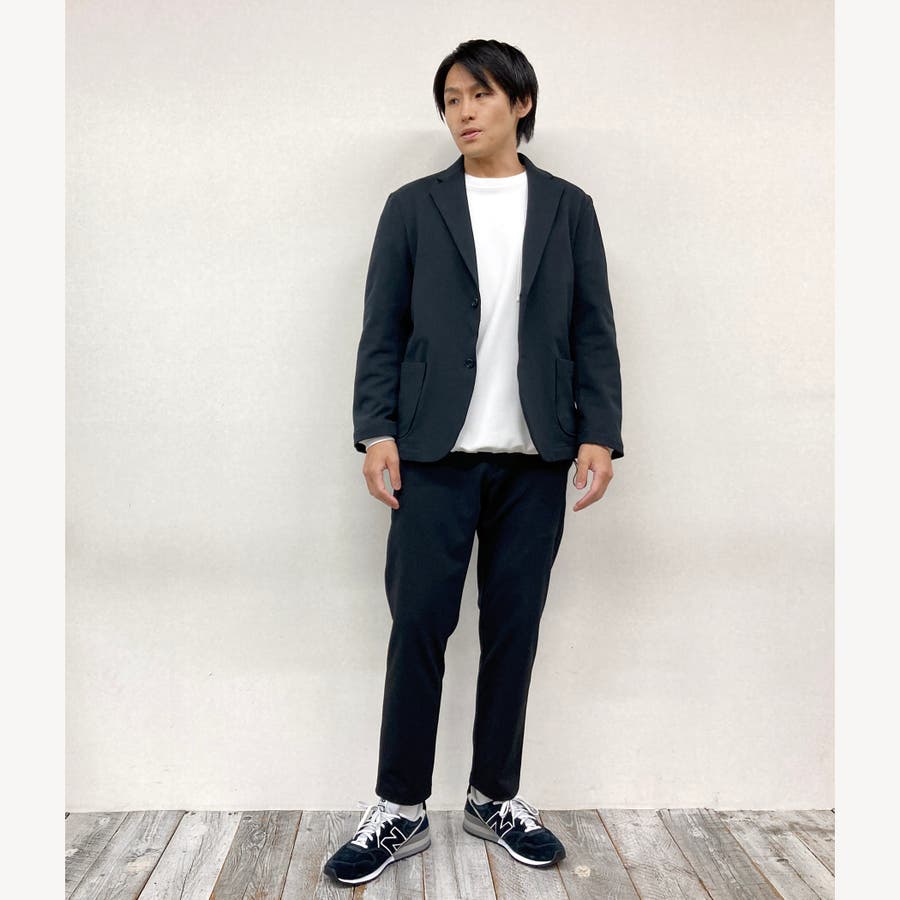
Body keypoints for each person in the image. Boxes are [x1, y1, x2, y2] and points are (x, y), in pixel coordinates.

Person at [324, 38, 624, 887]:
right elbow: (382, 328)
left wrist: (599, 431)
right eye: (451, 98)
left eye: (480, 94)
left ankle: (495, 795)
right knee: (418, 627)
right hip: (432, 457)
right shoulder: (412, 207)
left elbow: (593, 327)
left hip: (535, 459)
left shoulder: (568, 208)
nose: (463, 111)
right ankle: (400, 807)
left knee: (514, 631)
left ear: (520, 103)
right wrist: (375, 430)